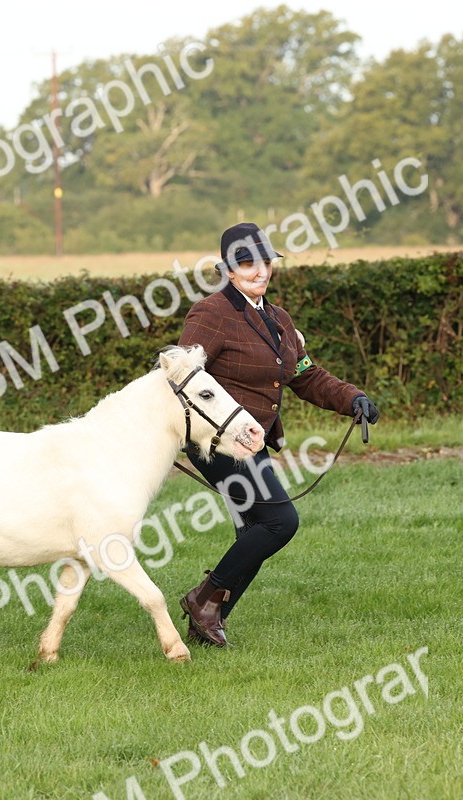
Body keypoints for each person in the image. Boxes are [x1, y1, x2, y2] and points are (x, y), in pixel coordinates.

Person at [175, 222, 379, 647]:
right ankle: (203, 600)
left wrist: (352, 398)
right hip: (215, 443)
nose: (259, 271)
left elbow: (305, 375)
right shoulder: (211, 313)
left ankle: (208, 619)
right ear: (229, 270)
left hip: (253, 440)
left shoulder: (279, 319)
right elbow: (184, 377)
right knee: (279, 521)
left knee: (254, 530)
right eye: (248, 263)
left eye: (265, 262)